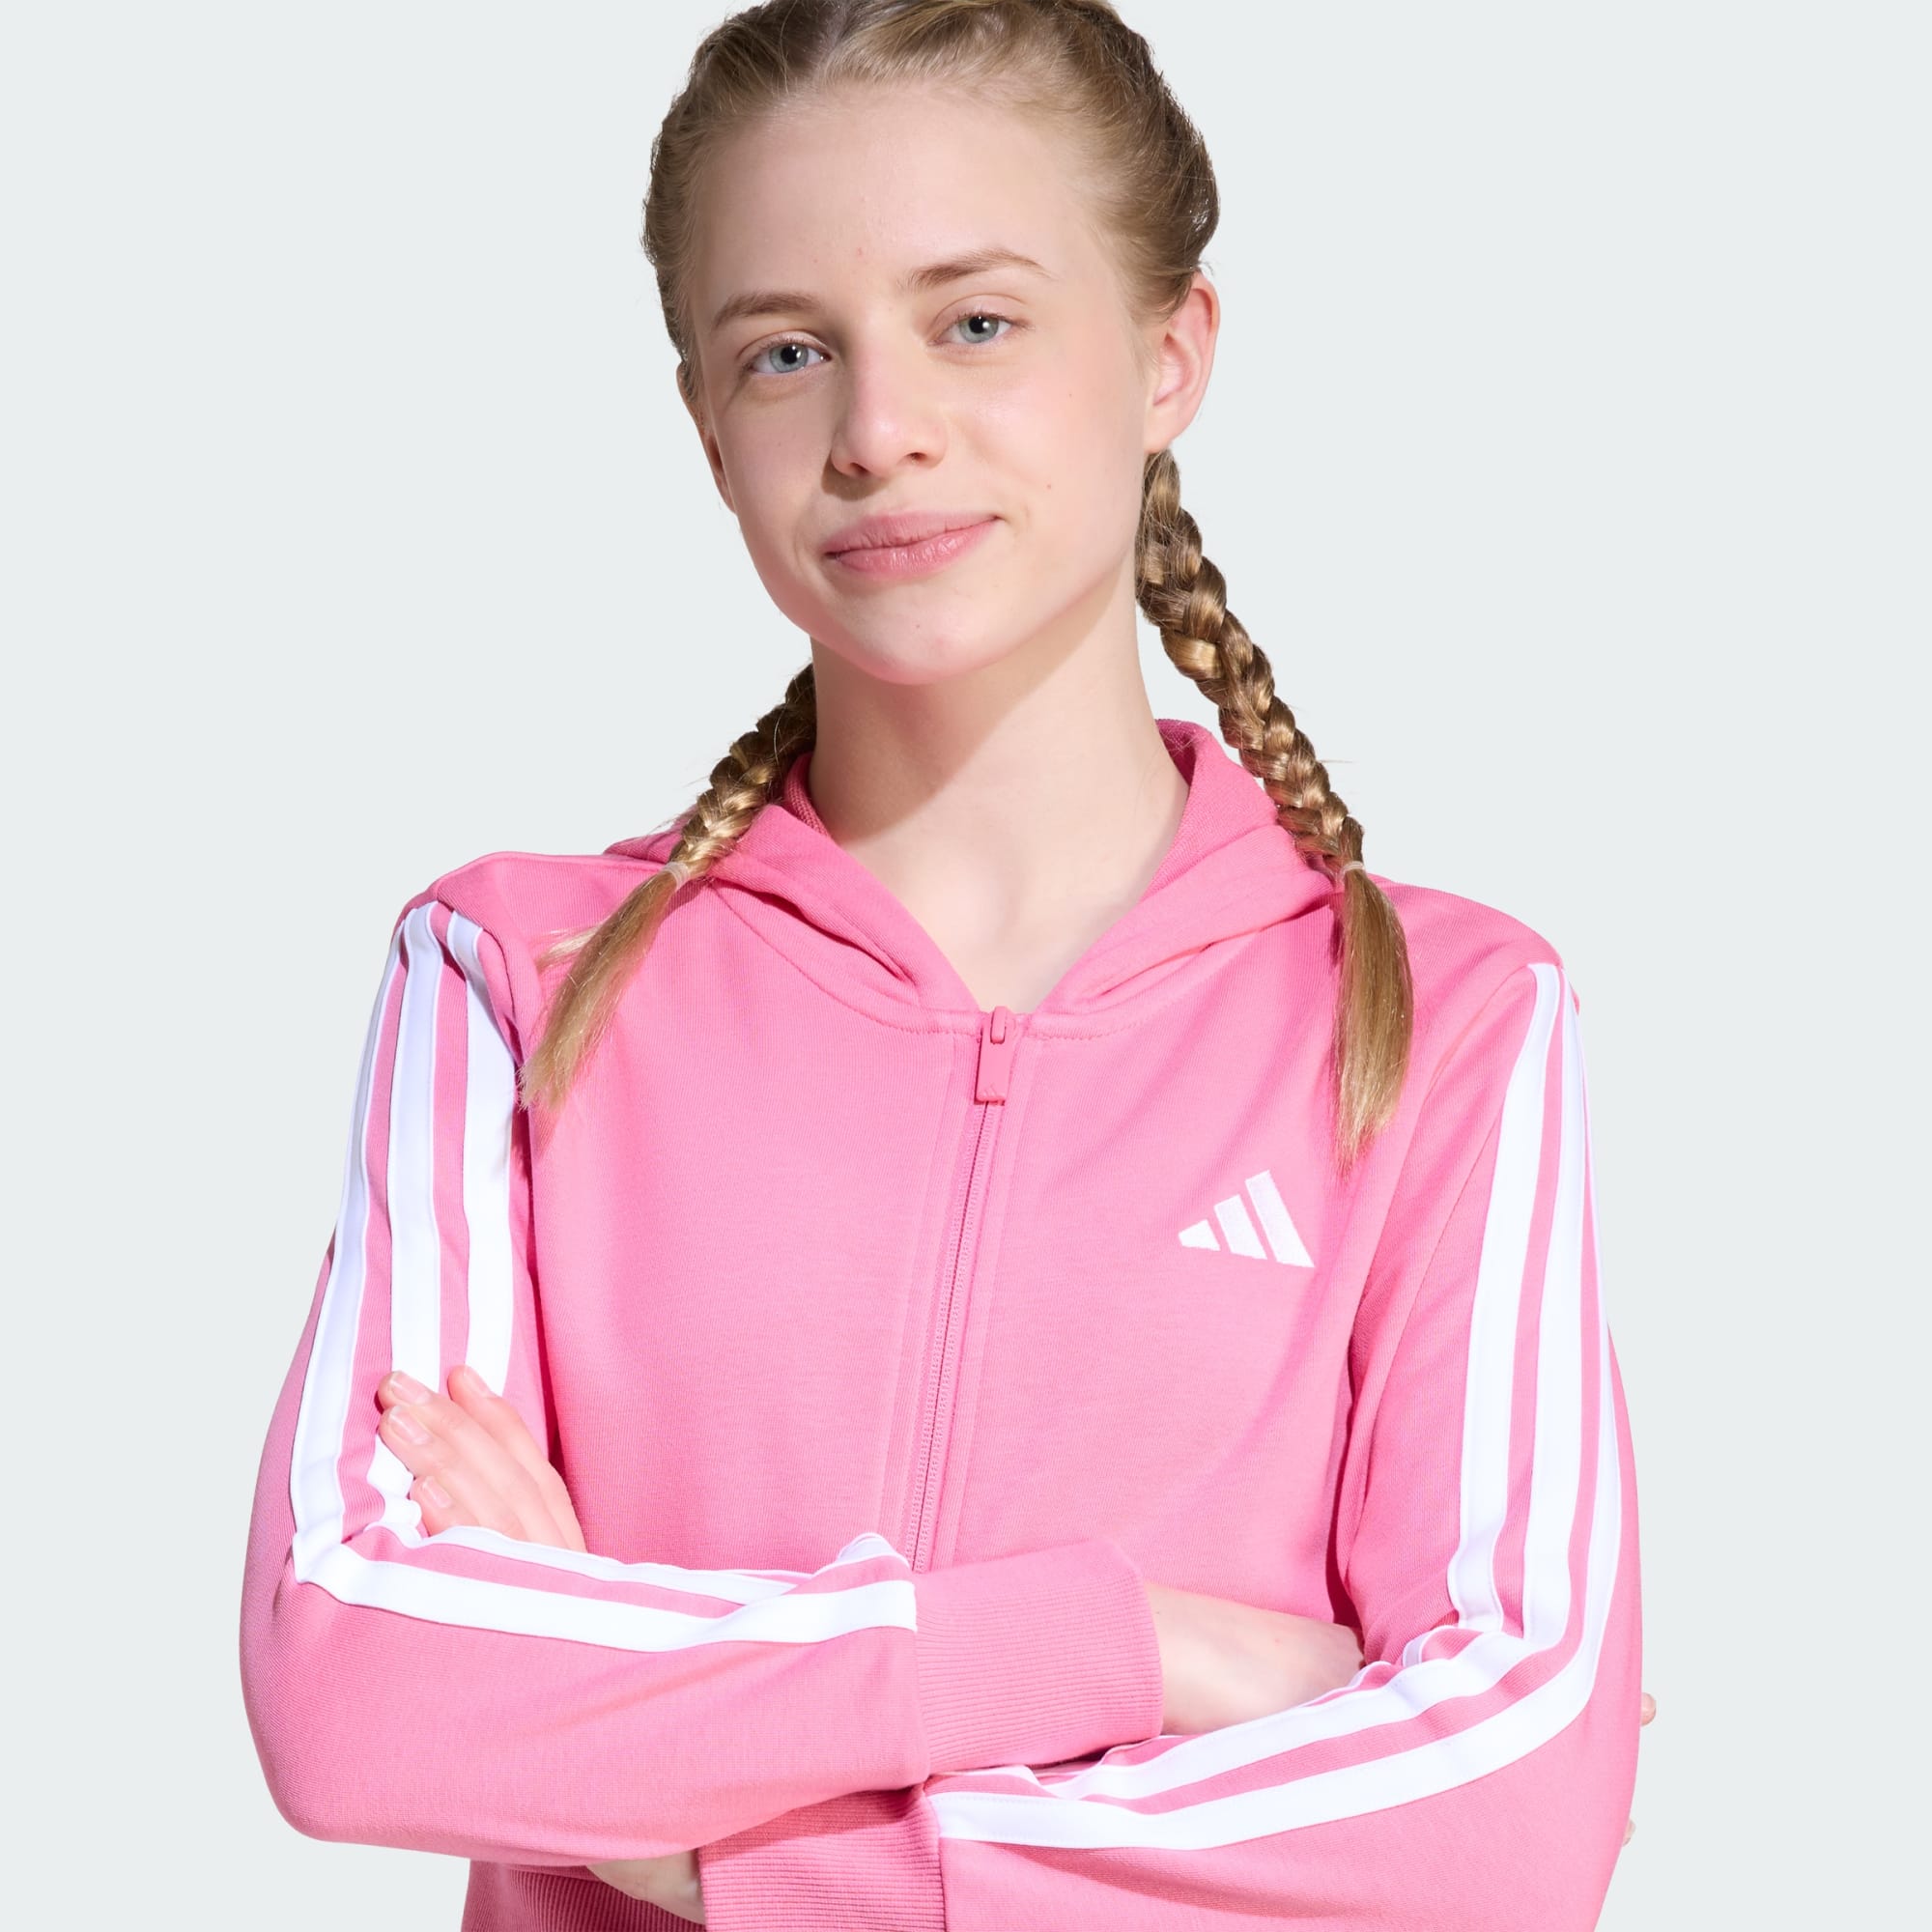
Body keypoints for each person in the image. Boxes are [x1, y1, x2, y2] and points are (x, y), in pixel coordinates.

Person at [238, 3, 1655, 1926]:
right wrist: (1139, 1645)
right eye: (785, 351)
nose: (876, 428)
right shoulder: (513, 976)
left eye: (975, 321)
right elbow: (358, 1691)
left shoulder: (1443, 1019)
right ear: (706, 425)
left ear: (1170, 354)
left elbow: (1502, 1820)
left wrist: (686, 1835)